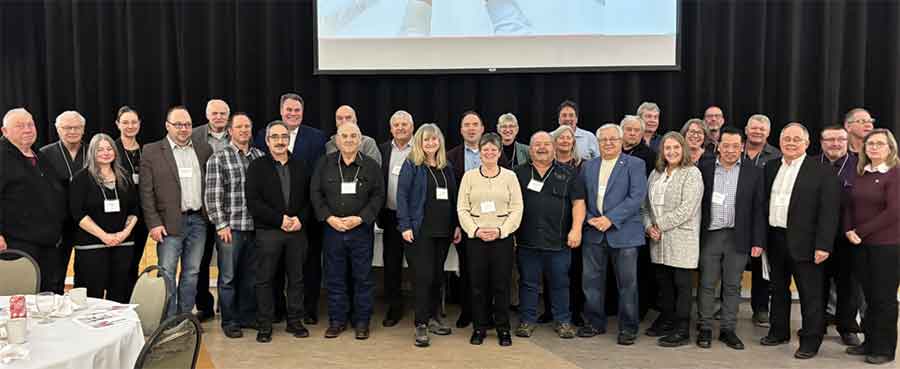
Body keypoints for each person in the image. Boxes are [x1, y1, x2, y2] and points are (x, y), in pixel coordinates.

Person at [759, 122, 840, 360]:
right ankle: (778, 332)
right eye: (786, 139)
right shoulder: (771, 166)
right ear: (780, 141)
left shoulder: (822, 171)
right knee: (778, 289)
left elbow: (829, 213)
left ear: (806, 143)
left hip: (807, 243)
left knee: (810, 294)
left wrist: (824, 245)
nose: (791, 143)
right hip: (775, 238)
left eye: (796, 139)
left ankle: (810, 341)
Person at [253, 93, 327, 325]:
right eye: (289, 110)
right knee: (271, 272)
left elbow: (317, 179)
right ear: (281, 110)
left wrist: (301, 217)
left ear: (302, 112)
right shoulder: (262, 138)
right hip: (272, 220)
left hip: (304, 218)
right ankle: (274, 312)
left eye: (297, 110)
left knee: (306, 269)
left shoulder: (316, 137)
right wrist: (279, 218)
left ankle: (306, 311)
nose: (292, 114)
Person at [311, 122, 385, 340]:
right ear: (337, 140)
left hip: (361, 231)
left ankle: (362, 321)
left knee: (362, 278)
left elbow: (378, 196)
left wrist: (360, 218)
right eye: (345, 136)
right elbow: (316, 194)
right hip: (332, 231)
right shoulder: (324, 164)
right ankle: (337, 321)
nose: (350, 140)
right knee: (335, 278)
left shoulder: (371, 166)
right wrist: (329, 218)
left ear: (360, 140)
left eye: (354, 136)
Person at [696, 127, 766, 350]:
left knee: (733, 286)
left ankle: (728, 329)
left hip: (739, 236)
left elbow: (758, 210)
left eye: (735, 146)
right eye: (726, 145)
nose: (730, 150)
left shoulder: (753, 172)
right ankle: (705, 327)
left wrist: (758, 241)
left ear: (742, 147)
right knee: (707, 283)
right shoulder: (704, 168)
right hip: (710, 235)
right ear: (718, 146)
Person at [577, 124, 648, 346]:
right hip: (593, 232)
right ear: (597, 143)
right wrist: (590, 218)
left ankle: (628, 328)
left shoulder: (635, 164)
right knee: (591, 282)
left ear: (620, 141)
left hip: (624, 233)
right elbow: (581, 196)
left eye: (613, 139)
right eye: (603, 140)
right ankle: (594, 323)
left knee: (627, 284)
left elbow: (636, 197)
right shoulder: (588, 166)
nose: (608, 143)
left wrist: (610, 219)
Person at [140, 106, 213, 318]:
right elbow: (146, 192)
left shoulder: (203, 149)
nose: (183, 129)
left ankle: (185, 318)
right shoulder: (152, 151)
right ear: (167, 126)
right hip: (168, 223)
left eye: (187, 124)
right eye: (178, 124)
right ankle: (168, 320)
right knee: (167, 273)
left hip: (198, 221)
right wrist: (153, 223)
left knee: (192, 273)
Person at [246, 121, 313, 343]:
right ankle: (265, 324)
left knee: (296, 279)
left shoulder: (301, 165)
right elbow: (253, 202)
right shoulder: (257, 167)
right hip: (269, 232)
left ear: (289, 139)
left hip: (296, 231)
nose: (280, 141)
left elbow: (309, 200)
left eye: (284, 136)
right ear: (267, 141)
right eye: (274, 137)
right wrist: (280, 220)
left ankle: (295, 321)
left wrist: (299, 220)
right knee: (265, 279)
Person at [513, 131, 585, 339]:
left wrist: (577, 229)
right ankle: (527, 321)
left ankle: (563, 321)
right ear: (530, 149)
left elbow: (578, 203)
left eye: (546, 144)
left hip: (560, 241)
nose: (542, 148)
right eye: (537, 144)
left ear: (554, 148)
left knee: (560, 282)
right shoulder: (518, 173)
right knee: (528, 282)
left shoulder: (570, 173)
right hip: (527, 241)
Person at [396, 123, 461, 347]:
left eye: (434, 139)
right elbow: (401, 196)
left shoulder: (447, 167)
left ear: (439, 142)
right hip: (419, 231)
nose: (430, 143)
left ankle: (433, 318)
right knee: (423, 278)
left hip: (443, 232)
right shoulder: (412, 165)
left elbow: (453, 199)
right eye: (426, 140)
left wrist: (456, 225)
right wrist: (404, 225)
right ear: (419, 143)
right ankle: (421, 324)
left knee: (436, 277)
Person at [457, 133, 523, 346]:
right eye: (485, 149)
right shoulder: (469, 177)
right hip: (476, 239)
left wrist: (502, 231)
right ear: (480, 152)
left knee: (501, 285)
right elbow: (462, 208)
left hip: (501, 239)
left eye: (493, 149)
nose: (489, 152)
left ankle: (503, 329)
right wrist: (475, 230)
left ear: (499, 152)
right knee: (477, 286)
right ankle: (479, 327)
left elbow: (517, 208)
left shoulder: (510, 177)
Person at [204, 112, 265, 338]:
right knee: (228, 278)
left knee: (251, 276)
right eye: (239, 127)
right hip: (231, 229)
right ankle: (229, 320)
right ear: (230, 130)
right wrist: (221, 225)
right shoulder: (219, 158)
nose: (243, 131)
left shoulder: (260, 156)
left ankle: (247, 316)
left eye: (247, 127)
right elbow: (212, 195)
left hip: (255, 228)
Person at [641, 132, 703, 347]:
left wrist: (660, 225)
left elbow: (687, 209)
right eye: (667, 148)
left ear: (683, 149)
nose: (672, 152)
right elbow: (645, 206)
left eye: (676, 147)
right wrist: (649, 227)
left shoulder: (692, 173)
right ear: (662, 151)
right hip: (658, 240)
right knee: (664, 284)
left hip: (682, 239)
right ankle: (667, 320)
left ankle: (682, 329)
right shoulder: (655, 174)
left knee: (683, 286)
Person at [844, 129, 899, 365]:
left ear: (890, 148)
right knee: (868, 297)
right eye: (870, 144)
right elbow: (849, 204)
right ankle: (870, 341)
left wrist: (860, 232)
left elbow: (894, 211)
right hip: (860, 245)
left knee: (883, 299)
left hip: (885, 246)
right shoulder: (862, 172)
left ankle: (885, 349)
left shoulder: (895, 175)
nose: (874, 147)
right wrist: (848, 229)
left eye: (879, 144)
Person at [0, 108, 67, 291]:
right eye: (20, 126)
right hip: (17, 243)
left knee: (47, 295)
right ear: (4, 131)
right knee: (22, 296)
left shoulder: (40, 155)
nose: (28, 129)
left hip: (48, 242)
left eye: (30, 124)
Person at [69, 133, 139, 303]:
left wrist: (125, 233)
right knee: (92, 296)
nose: (106, 152)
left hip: (123, 244)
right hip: (92, 246)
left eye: (109, 149)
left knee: (120, 293)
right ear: (92, 152)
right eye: (100, 149)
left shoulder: (125, 177)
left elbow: (135, 209)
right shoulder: (81, 179)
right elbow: (77, 213)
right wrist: (104, 236)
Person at [814, 125, 862, 346]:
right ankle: (817, 324)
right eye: (830, 140)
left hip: (848, 238)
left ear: (847, 141)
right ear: (821, 142)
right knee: (817, 283)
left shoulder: (860, 165)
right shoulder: (811, 164)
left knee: (848, 286)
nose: (835, 144)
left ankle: (847, 327)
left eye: (840, 140)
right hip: (816, 237)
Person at [192, 99, 233, 322]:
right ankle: (204, 306)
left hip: (232, 211)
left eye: (223, 113)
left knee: (230, 262)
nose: (218, 117)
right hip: (202, 210)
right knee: (201, 261)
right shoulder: (194, 135)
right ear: (207, 115)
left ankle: (227, 307)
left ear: (228, 116)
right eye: (214, 113)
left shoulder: (237, 133)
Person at [39, 110, 87, 294]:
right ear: (58, 129)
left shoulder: (92, 151)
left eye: (77, 127)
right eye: (67, 127)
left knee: (86, 271)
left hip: (86, 221)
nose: (72, 131)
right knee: (55, 272)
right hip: (58, 222)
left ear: (83, 129)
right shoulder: (45, 154)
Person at [446, 110, 485, 328]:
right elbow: (450, 194)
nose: (471, 128)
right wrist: (455, 224)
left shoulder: (494, 153)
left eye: (475, 124)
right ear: (461, 130)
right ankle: (467, 311)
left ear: (482, 129)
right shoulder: (451, 157)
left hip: (491, 223)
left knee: (488, 270)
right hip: (464, 222)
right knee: (467, 269)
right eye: (466, 124)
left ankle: (486, 312)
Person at [742, 114, 781, 327]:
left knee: (760, 266)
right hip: (736, 216)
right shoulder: (734, 150)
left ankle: (760, 308)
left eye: (762, 129)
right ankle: (723, 303)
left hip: (763, 217)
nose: (757, 132)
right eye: (754, 128)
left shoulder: (776, 156)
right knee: (730, 262)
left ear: (768, 133)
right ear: (746, 130)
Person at [377, 110, 415, 327]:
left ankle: (424, 309)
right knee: (391, 265)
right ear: (391, 129)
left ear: (412, 127)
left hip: (414, 219)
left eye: (404, 124)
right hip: (391, 217)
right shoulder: (382, 151)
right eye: (396, 125)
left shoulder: (419, 150)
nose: (400, 128)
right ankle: (394, 308)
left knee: (418, 265)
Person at [114, 106, 150, 287]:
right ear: (117, 124)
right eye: (125, 122)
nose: (130, 126)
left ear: (139, 124)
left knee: (135, 259)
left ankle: (129, 299)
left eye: (134, 122)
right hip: (119, 215)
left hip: (142, 214)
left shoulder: (147, 150)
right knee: (120, 262)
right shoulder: (111, 149)